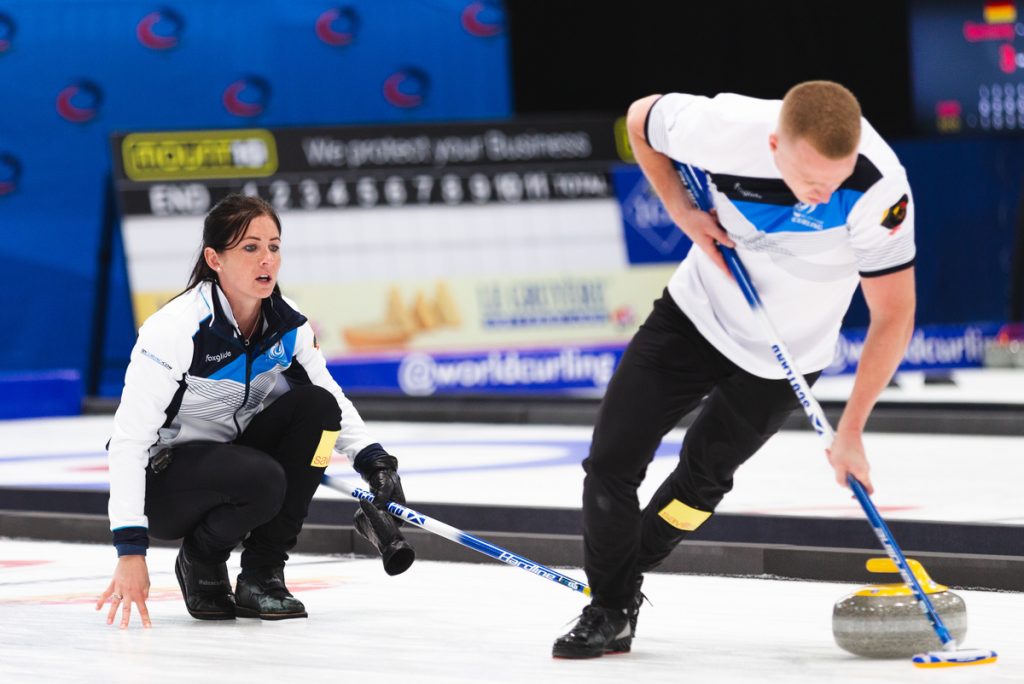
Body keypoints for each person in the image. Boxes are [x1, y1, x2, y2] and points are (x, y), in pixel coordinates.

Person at [552, 81, 916, 658]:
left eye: (835, 180)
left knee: (700, 487)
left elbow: (893, 316)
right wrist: (681, 210)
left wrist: (850, 432)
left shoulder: (878, 184)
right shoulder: (724, 130)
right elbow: (640, 119)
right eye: (811, 181)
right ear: (773, 145)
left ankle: (621, 576)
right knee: (611, 462)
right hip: (695, 317)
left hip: (789, 357)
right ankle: (610, 609)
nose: (824, 197)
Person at [97, 194, 413, 628]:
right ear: (215, 258)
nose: (266, 259)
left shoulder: (288, 324)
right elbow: (129, 441)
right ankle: (202, 558)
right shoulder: (175, 330)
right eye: (250, 248)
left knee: (317, 411)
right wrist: (130, 551)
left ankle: (263, 573)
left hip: (235, 459)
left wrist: (375, 464)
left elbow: (329, 395)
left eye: (274, 246)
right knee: (262, 477)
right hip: (167, 483)